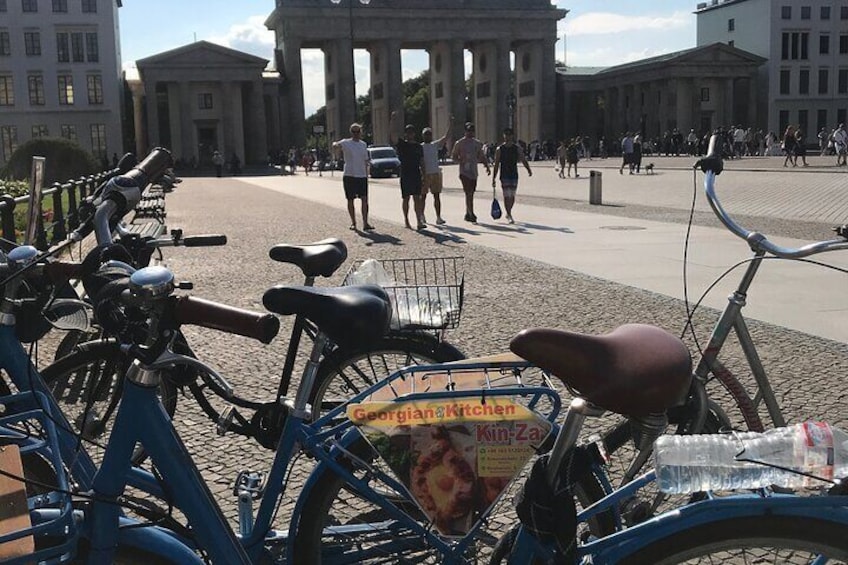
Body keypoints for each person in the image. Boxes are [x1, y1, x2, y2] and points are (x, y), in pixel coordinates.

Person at [332, 123, 374, 231]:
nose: (356, 134)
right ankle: (354, 223)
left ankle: (365, 223)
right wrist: (335, 146)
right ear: (351, 132)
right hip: (349, 175)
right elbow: (335, 145)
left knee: (364, 199)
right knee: (350, 199)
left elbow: (366, 160)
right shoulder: (346, 142)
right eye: (354, 132)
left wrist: (367, 174)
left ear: (361, 132)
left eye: (358, 131)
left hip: (362, 175)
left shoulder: (363, 144)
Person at [390, 111, 426, 229]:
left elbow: (422, 161)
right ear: (405, 134)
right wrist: (393, 121)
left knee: (417, 198)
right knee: (406, 198)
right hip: (405, 173)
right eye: (408, 132)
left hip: (416, 173)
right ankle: (406, 220)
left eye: (411, 132)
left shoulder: (418, 146)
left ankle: (419, 221)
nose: (410, 134)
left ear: (414, 134)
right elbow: (393, 135)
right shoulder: (402, 144)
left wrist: (424, 175)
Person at [451, 122, 490, 223]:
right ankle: (471, 213)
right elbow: (453, 157)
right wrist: (460, 161)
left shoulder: (477, 143)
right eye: (468, 130)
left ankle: (468, 213)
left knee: (471, 193)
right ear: (465, 131)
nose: (470, 132)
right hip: (464, 172)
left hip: (473, 171)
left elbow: (481, 155)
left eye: (472, 130)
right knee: (468, 193)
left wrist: (487, 166)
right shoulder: (459, 143)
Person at [491, 128, 532, 224]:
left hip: (514, 174)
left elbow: (523, 159)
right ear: (503, 136)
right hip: (504, 175)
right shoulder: (499, 149)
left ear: (512, 136)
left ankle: (509, 212)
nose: (507, 137)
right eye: (506, 135)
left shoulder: (517, 148)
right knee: (506, 195)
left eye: (509, 135)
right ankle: (509, 214)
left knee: (512, 196)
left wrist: (528, 169)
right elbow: (496, 164)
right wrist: (494, 177)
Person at [420, 115, 454, 225]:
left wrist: (450, 124)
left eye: (429, 134)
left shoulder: (435, 145)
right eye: (426, 134)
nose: (428, 136)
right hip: (425, 174)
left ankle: (438, 217)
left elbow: (446, 137)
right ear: (423, 136)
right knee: (423, 196)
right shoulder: (420, 147)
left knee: (437, 196)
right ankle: (421, 215)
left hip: (435, 173)